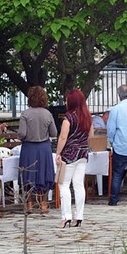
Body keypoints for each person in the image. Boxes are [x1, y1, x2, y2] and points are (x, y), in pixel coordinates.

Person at [55, 89, 93, 228]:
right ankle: (79, 215)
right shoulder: (88, 117)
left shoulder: (68, 118)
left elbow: (63, 137)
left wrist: (58, 153)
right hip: (83, 153)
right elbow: (91, 135)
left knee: (64, 184)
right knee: (78, 185)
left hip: (69, 154)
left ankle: (66, 216)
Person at [17, 86, 57, 214]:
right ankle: (44, 204)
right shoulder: (48, 114)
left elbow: (22, 134)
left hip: (29, 148)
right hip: (44, 148)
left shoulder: (25, 114)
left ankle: (29, 204)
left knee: (28, 175)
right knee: (44, 174)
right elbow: (54, 132)